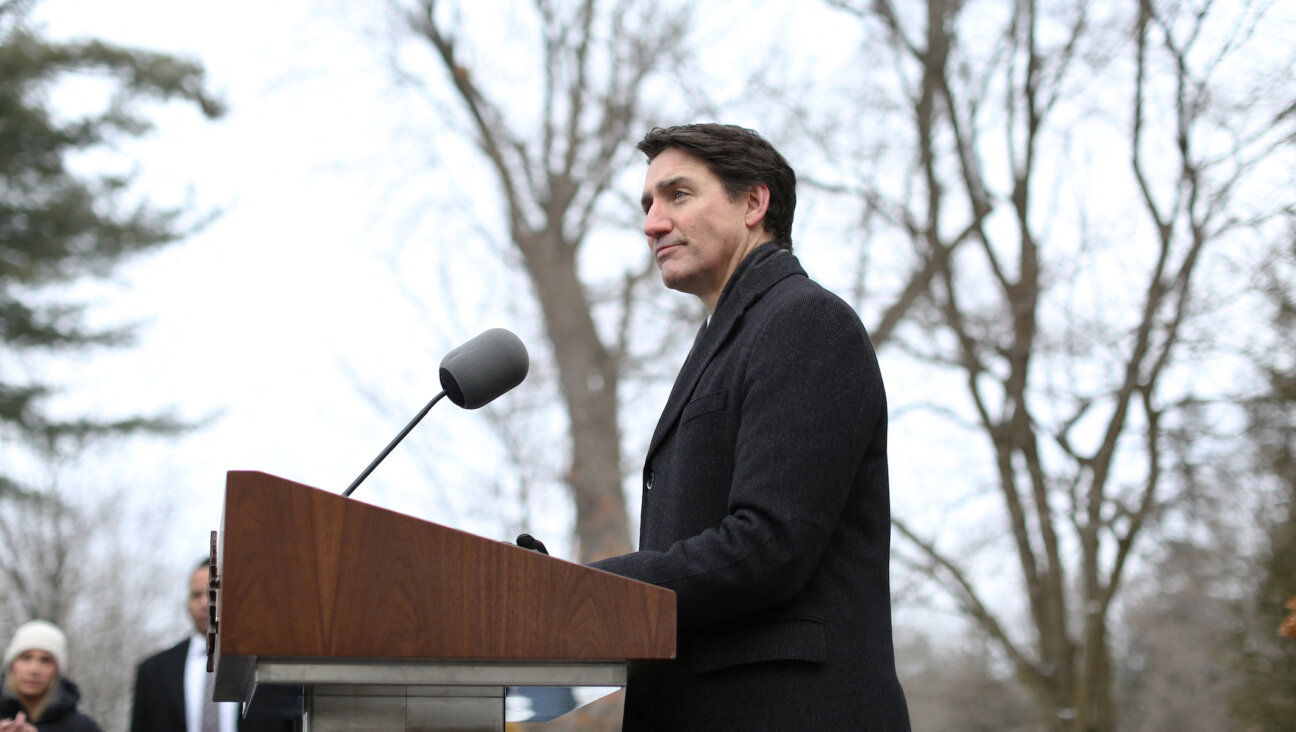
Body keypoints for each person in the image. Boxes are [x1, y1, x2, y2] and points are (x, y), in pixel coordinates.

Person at [586, 124, 912, 730]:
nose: (653, 223)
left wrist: (586, 590)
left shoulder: (805, 322)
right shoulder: (727, 339)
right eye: (648, 204)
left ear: (754, 203)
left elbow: (769, 543)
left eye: (677, 195)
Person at [130, 559, 295, 732]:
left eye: (213, 593)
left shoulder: (271, 665)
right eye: (196, 595)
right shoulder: (154, 671)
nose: (204, 604)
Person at [0, 620, 101, 732]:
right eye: (26, 657)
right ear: (12, 664)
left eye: (45, 660)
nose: (34, 670)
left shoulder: (82, 728)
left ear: (56, 670)